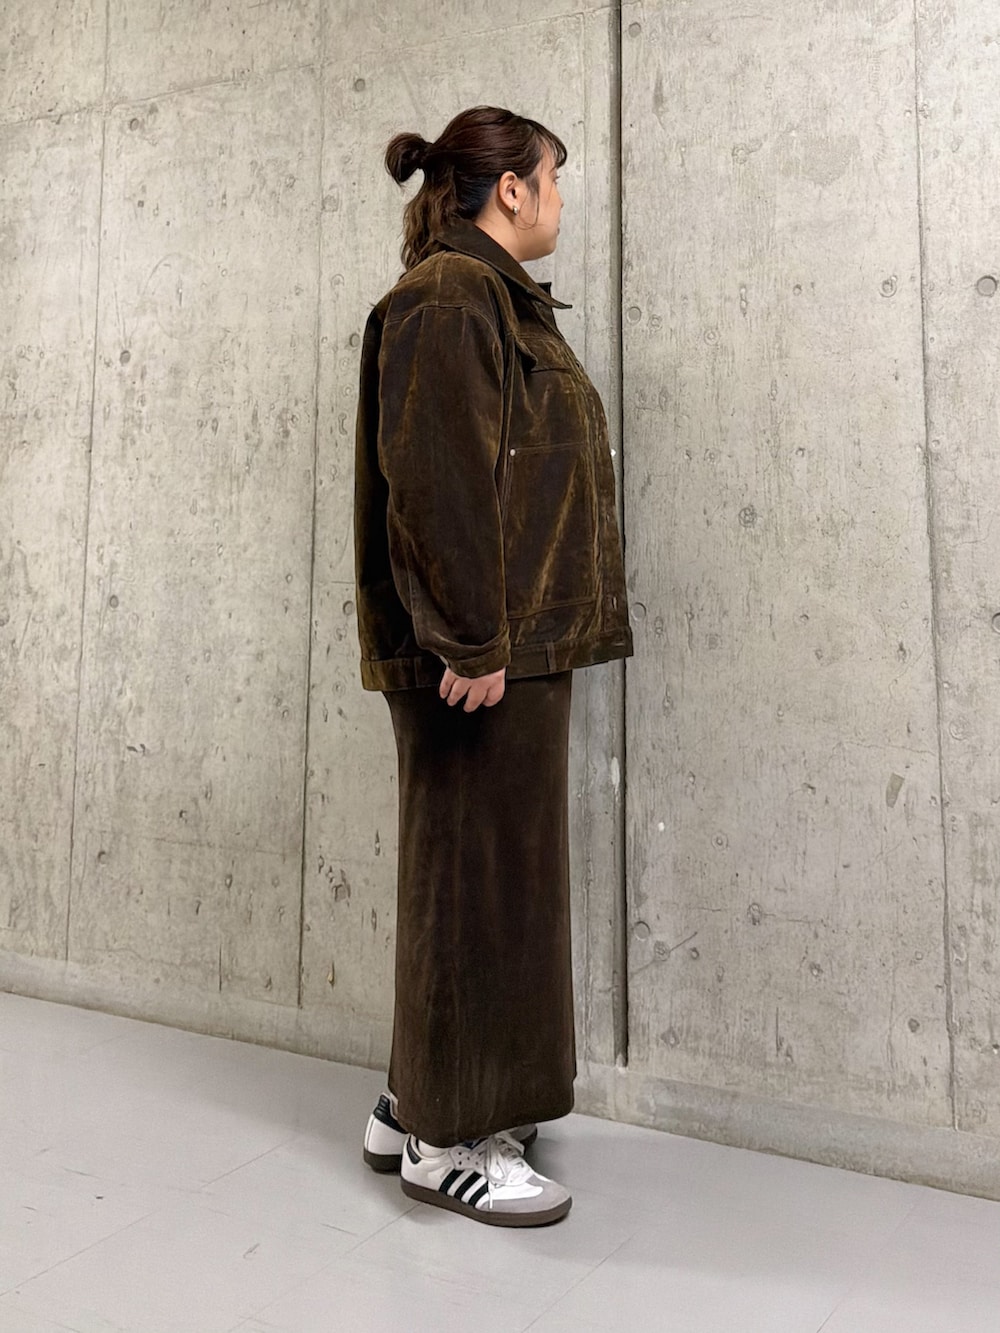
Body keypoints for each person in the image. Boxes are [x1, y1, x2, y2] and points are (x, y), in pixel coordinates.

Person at [352, 105, 633, 1227]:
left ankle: (415, 1097)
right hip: (480, 653)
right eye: (553, 176)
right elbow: (433, 477)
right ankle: (445, 1141)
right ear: (510, 188)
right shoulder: (448, 297)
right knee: (477, 886)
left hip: (512, 643)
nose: (561, 196)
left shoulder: (487, 296)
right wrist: (469, 638)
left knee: (476, 881)